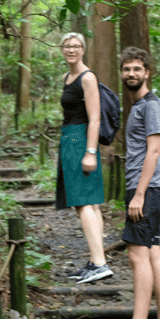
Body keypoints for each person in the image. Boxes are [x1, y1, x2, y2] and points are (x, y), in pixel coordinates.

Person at [108, 47, 160, 319]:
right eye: (127, 69)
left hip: (146, 189)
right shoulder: (139, 106)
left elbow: (154, 150)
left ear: (147, 72)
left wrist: (138, 194)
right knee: (152, 253)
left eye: (137, 69)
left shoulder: (151, 106)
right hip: (148, 189)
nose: (132, 74)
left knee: (137, 254)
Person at [55, 33, 112, 284]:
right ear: (62, 50)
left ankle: (99, 262)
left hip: (81, 141)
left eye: (76, 46)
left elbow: (95, 117)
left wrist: (90, 152)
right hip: (70, 139)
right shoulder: (67, 77)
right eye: (67, 46)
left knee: (82, 203)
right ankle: (97, 260)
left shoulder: (87, 78)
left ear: (83, 50)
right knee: (92, 203)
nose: (71, 50)